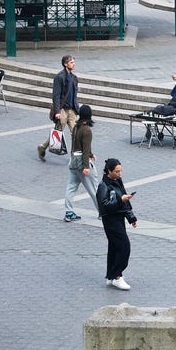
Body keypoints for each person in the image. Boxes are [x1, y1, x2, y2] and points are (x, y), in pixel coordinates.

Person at [97, 158, 136, 290]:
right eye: (117, 171)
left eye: (120, 171)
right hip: (110, 220)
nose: (120, 174)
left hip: (119, 218)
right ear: (109, 171)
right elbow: (104, 206)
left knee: (114, 248)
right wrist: (120, 200)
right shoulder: (103, 186)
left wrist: (131, 217)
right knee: (124, 247)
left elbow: (125, 201)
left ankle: (110, 276)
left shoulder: (118, 181)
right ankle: (117, 276)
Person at [37, 55, 79, 162]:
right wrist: (57, 112)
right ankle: (42, 147)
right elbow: (56, 95)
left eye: (73, 62)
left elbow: (75, 95)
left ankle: (73, 156)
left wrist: (76, 109)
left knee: (75, 133)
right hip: (62, 110)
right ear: (65, 64)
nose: (73, 64)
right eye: (71, 62)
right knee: (58, 131)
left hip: (72, 110)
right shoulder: (59, 77)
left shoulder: (74, 78)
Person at [64, 104, 98, 222]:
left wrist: (91, 154)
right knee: (93, 188)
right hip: (81, 163)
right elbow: (85, 149)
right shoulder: (87, 130)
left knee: (71, 187)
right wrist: (86, 166)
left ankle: (68, 212)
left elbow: (78, 146)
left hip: (73, 161)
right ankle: (102, 212)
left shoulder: (76, 127)